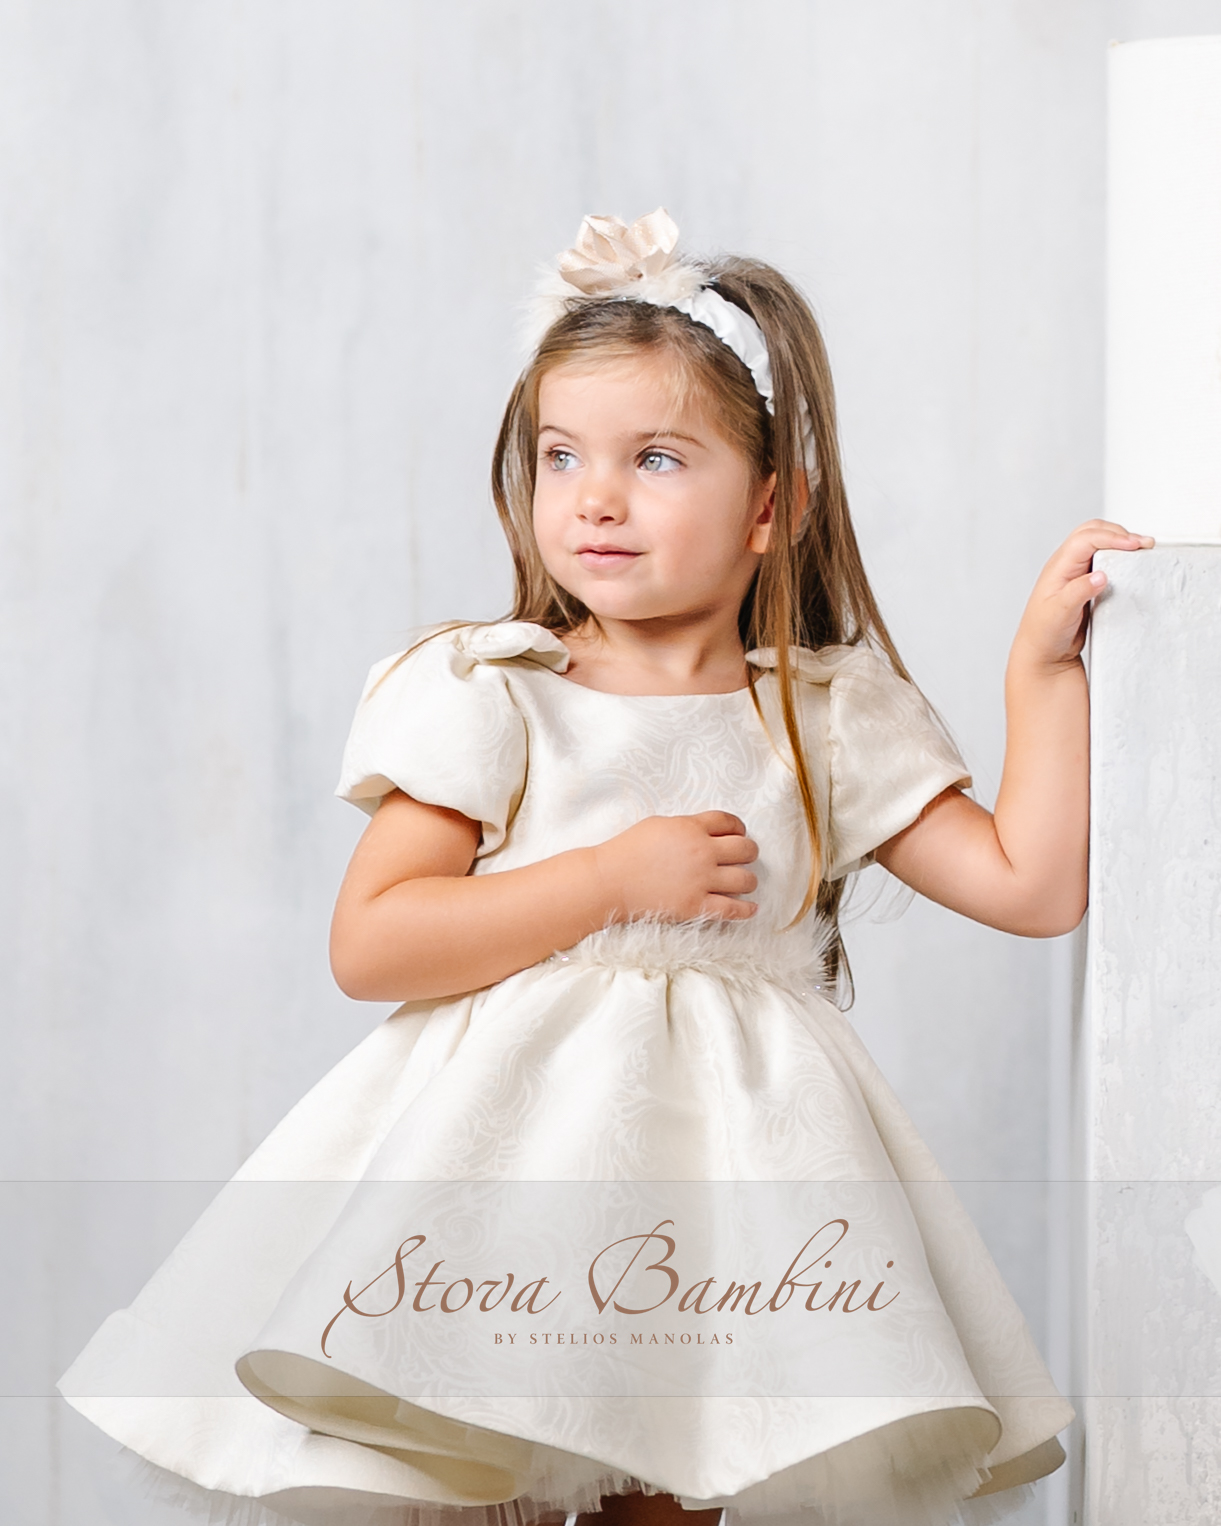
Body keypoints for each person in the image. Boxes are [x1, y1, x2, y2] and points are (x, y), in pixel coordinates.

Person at [58, 209, 1152, 1526]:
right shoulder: (496, 689)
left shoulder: (820, 713)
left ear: (771, 507)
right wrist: (607, 880)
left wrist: (1039, 673)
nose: (594, 496)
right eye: (561, 454)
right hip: (504, 1189)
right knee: (469, 1467)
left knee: (682, 1479)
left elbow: (1031, 885)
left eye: (656, 458)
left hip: (731, 1202)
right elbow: (373, 941)